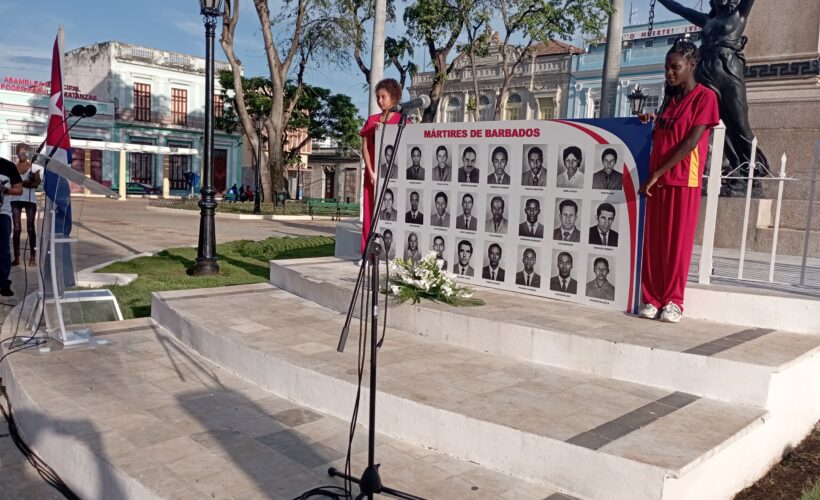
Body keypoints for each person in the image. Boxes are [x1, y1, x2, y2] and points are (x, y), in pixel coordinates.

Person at [638, 38, 720, 323]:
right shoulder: (669, 101)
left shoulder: (705, 98)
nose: (669, 73)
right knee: (655, 244)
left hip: (684, 180)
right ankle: (651, 298)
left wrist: (659, 173)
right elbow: (663, 134)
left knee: (677, 245)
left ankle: (673, 301)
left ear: (691, 65)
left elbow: (690, 143)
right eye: (666, 67)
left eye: (675, 67)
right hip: (656, 181)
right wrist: (650, 119)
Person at [657, 0, 768, 197]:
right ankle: (736, 173)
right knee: (717, 125)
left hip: (729, 72)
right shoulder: (707, 19)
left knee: (739, 124)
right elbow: (679, 8)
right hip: (705, 72)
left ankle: (753, 174)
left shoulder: (738, 16)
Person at [359, 78, 404, 254]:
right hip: (373, 175)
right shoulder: (371, 120)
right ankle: (367, 253)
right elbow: (365, 148)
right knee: (369, 215)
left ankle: (390, 253)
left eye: (383, 97)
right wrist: (370, 171)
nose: (380, 101)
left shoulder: (401, 121)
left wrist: (385, 129)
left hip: (392, 176)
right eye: (378, 97)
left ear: (393, 97)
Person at [10, 144, 41, 267]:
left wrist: (27, 182)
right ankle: (16, 257)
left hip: (30, 200)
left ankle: (33, 257)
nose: (21, 155)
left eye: (24, 152)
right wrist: (24, 183)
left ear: (28, 153)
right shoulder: (13, 167)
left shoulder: (33, 167)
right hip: (15, 199)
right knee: (16, 229)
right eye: (19, 152)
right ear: (16, 153)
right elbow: (11, 184)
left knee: (30, 228)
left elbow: (36, 183)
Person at [0, 156, 24, 296]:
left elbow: (19, 189)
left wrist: (4, 190)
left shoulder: (7, 166)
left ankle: (3, 284)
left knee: (3, 249)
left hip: (3, 213)